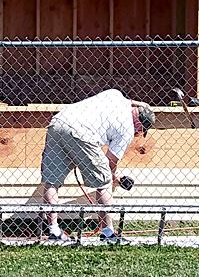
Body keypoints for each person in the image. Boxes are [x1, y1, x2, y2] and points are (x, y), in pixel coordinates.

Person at [41, 89, 156, 241]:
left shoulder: (115, 95)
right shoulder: (127, 129)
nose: (138, 134)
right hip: (82, 132)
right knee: (104, 182)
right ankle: (107, 233)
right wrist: (113, 178)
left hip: (58, 123)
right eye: (140, 131)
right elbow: (110, 162)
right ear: (138, 123)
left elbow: (131, 102)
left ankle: (53, 231)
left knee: (52, 181)